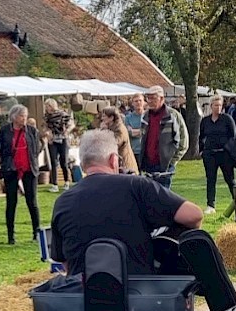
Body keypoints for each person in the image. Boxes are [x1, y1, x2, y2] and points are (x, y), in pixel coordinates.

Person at [50, 129, 203, 275]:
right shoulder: (137, 186)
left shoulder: (62, 202)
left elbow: (64, 262)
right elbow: (193, 215)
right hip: (138, 292)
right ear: (113, 159)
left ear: (83, 165)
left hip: (83, 294)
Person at [0, 104, 41, 245]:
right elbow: (2, 150)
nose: (24, 118)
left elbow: (36, 149)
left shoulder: (32, 131)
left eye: (26, 115)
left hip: (29, 169)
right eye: (22, 115)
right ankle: (11, 235)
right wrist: (5, 165)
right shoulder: (5, 131)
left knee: (32, 201)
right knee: (11, 202)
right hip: (11, 169)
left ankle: (37, 232)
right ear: (14, 116)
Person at [139, 85, 188, 188]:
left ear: (161, 98)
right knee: (148, 198)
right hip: (149, 165)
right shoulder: (146, 116)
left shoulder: (172, 115)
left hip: (164, 166)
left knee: (163, 199)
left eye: (153, 98)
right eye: (148, 98)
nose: (150, 101)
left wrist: (172, 162)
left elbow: (184, 142)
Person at [199, 94, 236, 214]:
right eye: (216, 105)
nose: (218, 108)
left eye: (220, 105)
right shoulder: (205, 121)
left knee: (230, 179)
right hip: (210, 154)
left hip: (225, 154)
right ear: (211, 106)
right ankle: (211, 205)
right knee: (211, 179)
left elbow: (234, 137)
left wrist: (234, 153)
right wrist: (202, 151)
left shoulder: (227, 119)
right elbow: (201, 137)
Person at [43, 98, 74, 193]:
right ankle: (54, 184)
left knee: (64, 161)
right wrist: (47, 134)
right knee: (53, 161)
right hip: (53, 140)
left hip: (63, 139)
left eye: (47, 106)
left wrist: (67, 131)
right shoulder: (46, 117)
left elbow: (71, 124)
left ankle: (66, 182)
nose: (46, 108)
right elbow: (45, 126)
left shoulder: (62, 114)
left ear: (52, 106)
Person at [99, 106, 138, 174]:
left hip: (126, 166)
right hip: (119, 165)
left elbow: (113, 144)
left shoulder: (120, 129)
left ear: (111, 118)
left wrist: (104, 131)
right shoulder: (112, 128)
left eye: (104, 116)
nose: (102, 118)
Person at [124, 93, 146, 159]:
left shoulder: (148, 116)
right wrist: (143, 131)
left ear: (144, 102)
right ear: (132, 103)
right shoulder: (128, 118)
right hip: (133, 151)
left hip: (146, 151)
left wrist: (135, 131)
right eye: (136, 101)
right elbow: (129, 133)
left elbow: (150, 131)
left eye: (140, 100)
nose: (138, 103)